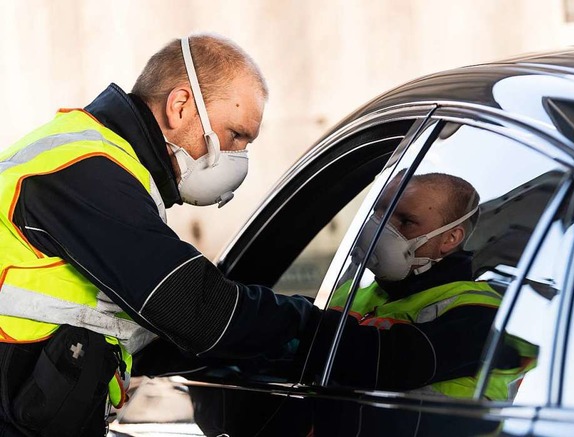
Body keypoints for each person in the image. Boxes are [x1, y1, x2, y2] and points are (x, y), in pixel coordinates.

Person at [0, 33, 313, 436]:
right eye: (235, 136)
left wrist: (259, 343)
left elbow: (146, 326)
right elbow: (195, 308)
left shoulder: (107, 165)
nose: (238, 158)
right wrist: (321, 329)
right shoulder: (85, 170)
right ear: (181, 106)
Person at [305, 173, 536, 436]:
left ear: (450, 239)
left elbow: (381, 360)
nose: (380, 229)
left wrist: (285, 320)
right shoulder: (352, 293)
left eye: (406, 221)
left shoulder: (482, 315)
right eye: (379, 213)